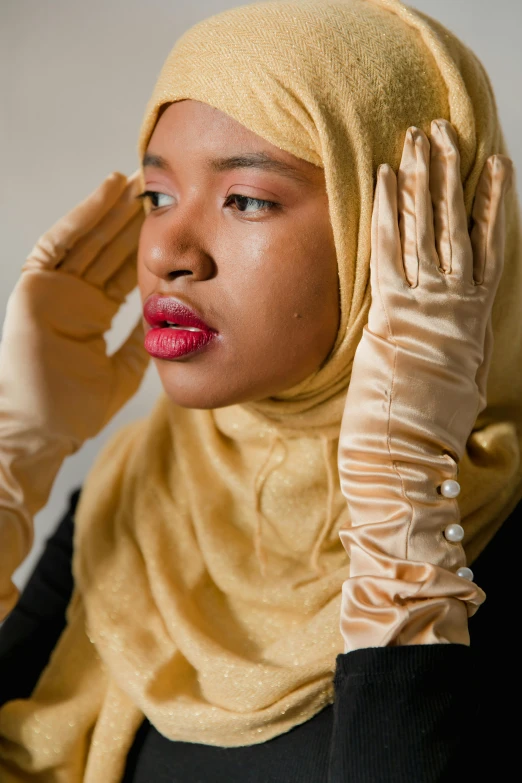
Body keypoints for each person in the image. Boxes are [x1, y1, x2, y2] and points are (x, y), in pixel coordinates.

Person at [1, 0, 521, 780]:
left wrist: (406, 518)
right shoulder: (144, 493)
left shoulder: (475, 528)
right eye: (157, 197)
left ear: (402, 231)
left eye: (245, 198)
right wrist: (15, 456)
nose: (168, 253)